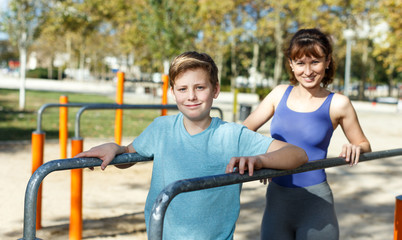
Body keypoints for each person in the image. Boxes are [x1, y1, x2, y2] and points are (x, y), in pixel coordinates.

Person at [75, 51, 308, 240]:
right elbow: (132, 153)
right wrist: (116, 149)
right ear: (173, 92)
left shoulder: (233, 135)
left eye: (200, 87)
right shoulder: (161, 128)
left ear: (215, 90)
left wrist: (260, 160)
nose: (191, 96)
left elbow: (297, 154)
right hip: (161, 234)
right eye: (183, 89)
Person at [243, 28, 372, 240]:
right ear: (291, 64)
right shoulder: (278, 94)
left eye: (315, 62)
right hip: (277, 201)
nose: (308, 71)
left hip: (316, 204)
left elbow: (364, 144)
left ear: (327, 61)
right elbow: (244, 131)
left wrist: (356, 147)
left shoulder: (339, 103)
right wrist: (263, 159)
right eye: (301, 63)